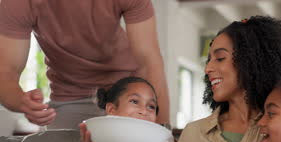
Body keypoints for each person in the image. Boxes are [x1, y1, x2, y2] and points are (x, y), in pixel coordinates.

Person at [0, 0, 170, 129]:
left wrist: (163, 131)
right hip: (68, 97)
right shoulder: (17, 3)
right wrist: (22, 102)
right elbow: (6, 72)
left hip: (125, 93)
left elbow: (149, 62)